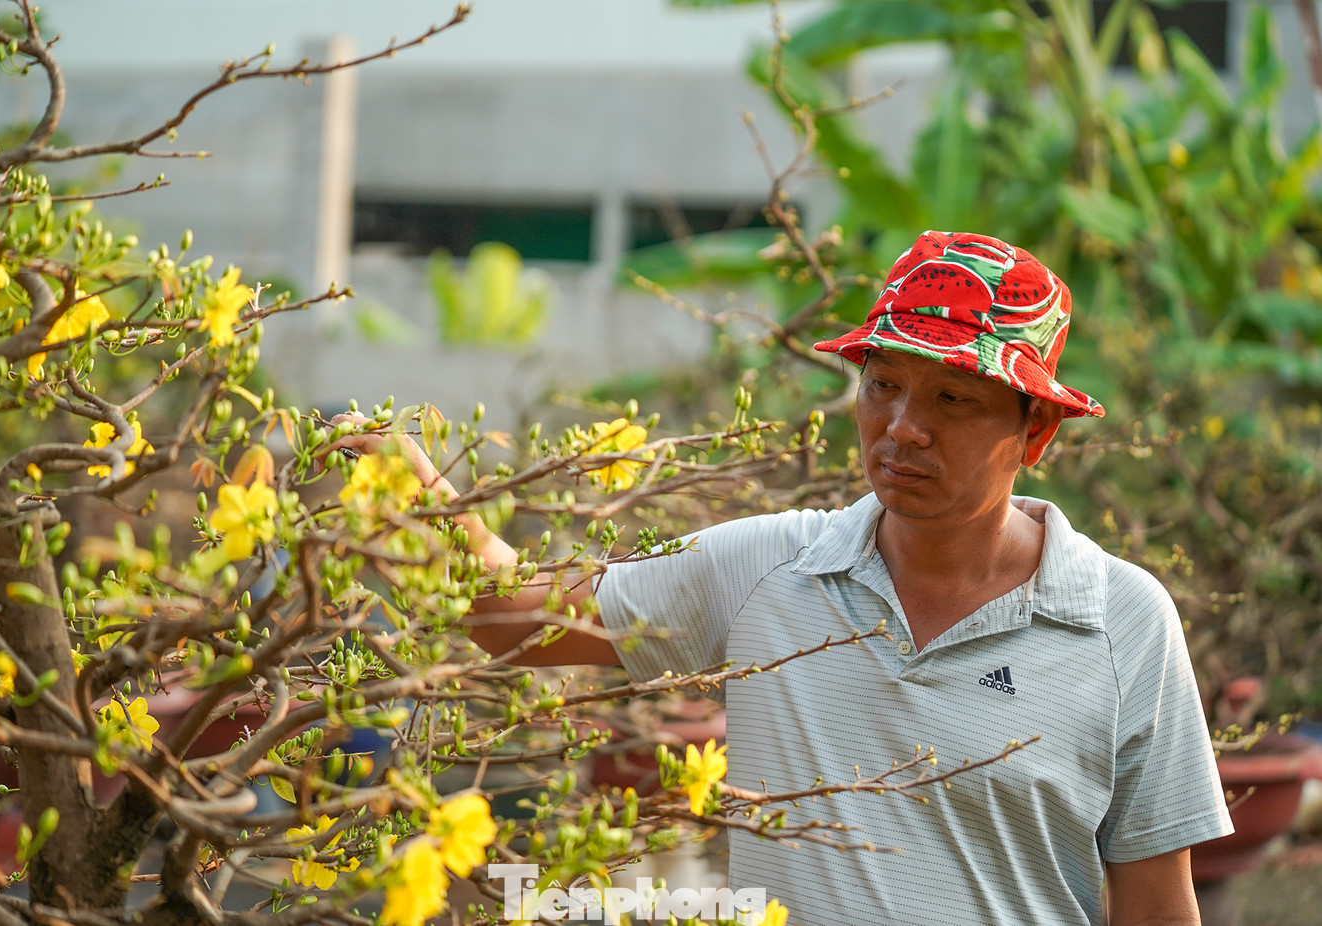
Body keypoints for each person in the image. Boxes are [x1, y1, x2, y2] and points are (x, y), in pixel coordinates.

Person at [334, 230, 1233, 926]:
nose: (904, 427)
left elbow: (1158, 908)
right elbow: (514, 614)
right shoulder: (769, 568)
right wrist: (401, 487)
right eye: (883, 385)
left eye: (953, 399)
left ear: (1036, 433)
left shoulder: (1120, 622)